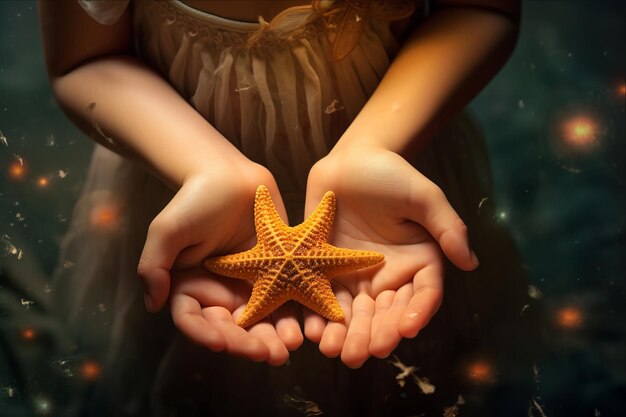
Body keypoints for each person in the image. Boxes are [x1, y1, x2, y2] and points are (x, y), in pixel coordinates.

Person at [40, 0, 534, 415]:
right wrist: (208, 170)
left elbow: (482, 7)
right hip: (175, 154)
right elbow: (83, 58)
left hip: (400, 142)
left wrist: (372, 149)